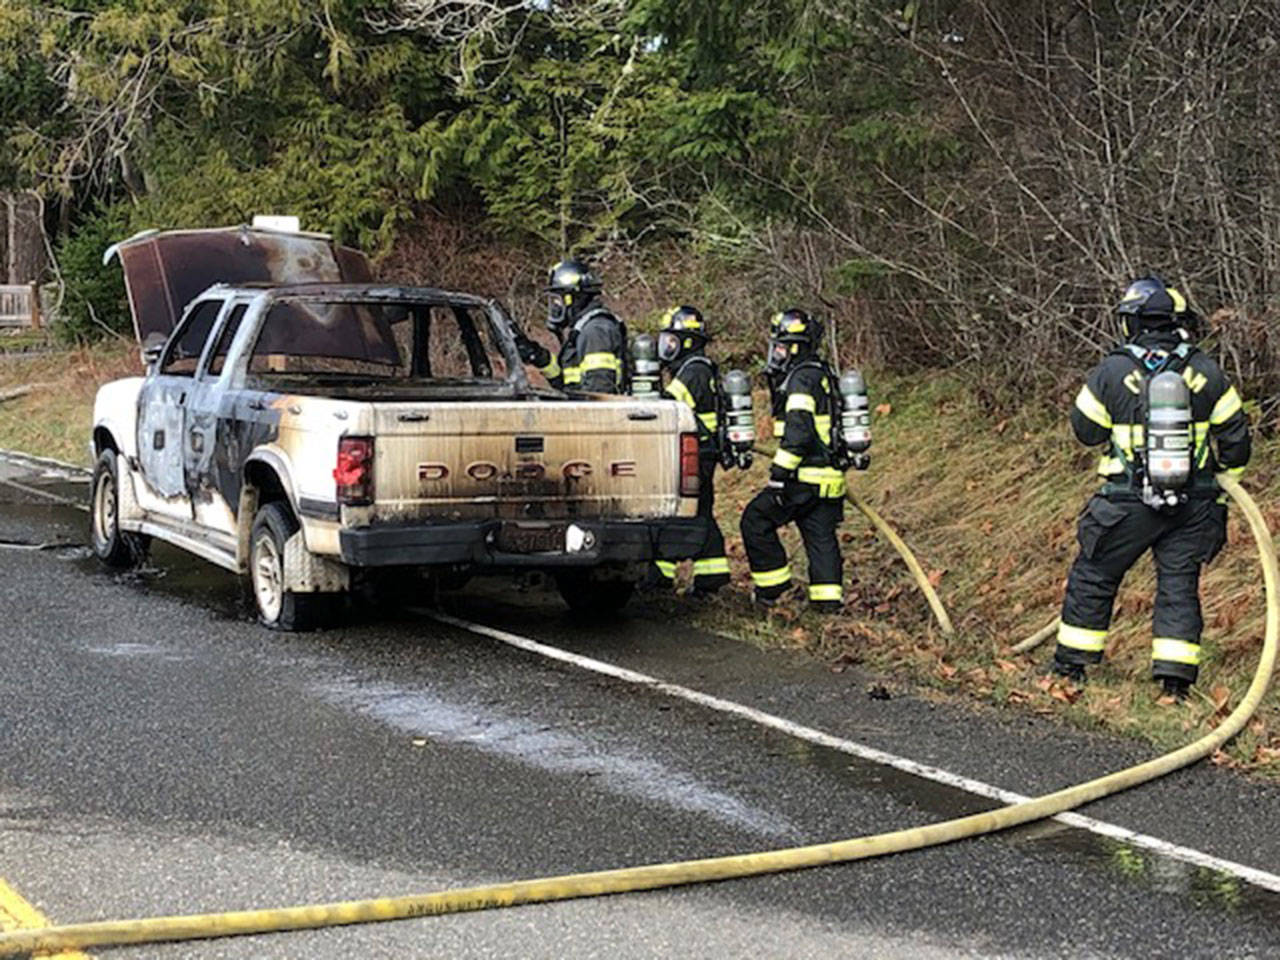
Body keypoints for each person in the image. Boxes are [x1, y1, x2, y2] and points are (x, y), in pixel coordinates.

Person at [1051, 275, 1251, 698]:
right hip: (1194, 504)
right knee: (1179, 586)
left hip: (1126, 503)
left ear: (1132, 322)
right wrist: (1222, 482)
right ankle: (1175, 685)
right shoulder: (1205, 370)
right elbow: (1236, 438)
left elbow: (1086, 431)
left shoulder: (1113, 370)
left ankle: (1070, 670)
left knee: (1095, 575)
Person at [740, 308, 847, 613]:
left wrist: (779, 475)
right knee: (821, 537)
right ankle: (828, 605)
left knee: (755, 520)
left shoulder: (800, 379)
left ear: (796, 348)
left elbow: (799, 433)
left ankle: (773, 590)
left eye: (781, 347)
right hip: (830, 479)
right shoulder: (823, 373)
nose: (777, 354)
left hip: (803, 478)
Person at [650, 306, 731, 595]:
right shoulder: (695, 368)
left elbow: (667, 408)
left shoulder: (694, 371)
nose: (666, 347)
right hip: (701, 451)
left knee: (675, 511)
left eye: (672, 340)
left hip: (697, 453)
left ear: (687, 341)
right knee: (701, 511)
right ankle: (712, 577)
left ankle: (658, 577)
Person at [512, 259, 628, 393]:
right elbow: (567, 382)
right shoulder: (582, 329)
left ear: (573, 298)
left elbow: (599, 391)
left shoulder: (595, 331)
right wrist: (538, 356)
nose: (555, 305)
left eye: (557, 299)